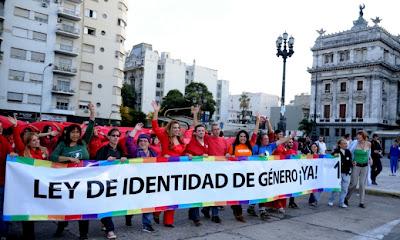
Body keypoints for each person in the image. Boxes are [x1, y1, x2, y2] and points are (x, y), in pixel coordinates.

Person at [50, 103, 96, 240]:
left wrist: (92, 113)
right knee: (66, 207)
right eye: (73, 132)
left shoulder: (83, 143)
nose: (75, 134)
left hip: (83, 181)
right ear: (68, 133)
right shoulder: (63, 145)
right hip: (67, 182)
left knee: (83, 207)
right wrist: (68, 158)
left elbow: (90, 129)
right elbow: (53, 157)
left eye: (77, 132)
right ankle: (61, 227)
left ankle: (83, 234)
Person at [8, 116, 50, 240]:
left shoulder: (44, 151)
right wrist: (16, 127)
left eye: (37, 139)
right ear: (28, 142)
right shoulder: (24, 151)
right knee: (27, 212)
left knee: (35, 212)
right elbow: (17, 139)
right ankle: (28, 235)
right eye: (33, 140)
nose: (36, 142)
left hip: (38, 186)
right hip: (26, 187)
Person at [150, 101, 188, 227]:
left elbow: (182, 154)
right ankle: (157, 212)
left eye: (178, 128)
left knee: (174, 195)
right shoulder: (164, 136)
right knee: (163, 194)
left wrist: (187, 156)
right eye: (175, 127)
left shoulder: (181, 141)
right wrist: (156, 111)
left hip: (177, 172)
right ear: (170, 128)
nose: (177, 130)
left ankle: (168, 221)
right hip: (164, 170)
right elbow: (155, 126)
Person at [252, 131, 294, 219]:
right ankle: (252, 207)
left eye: (267, 138)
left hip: (267, 173)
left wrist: (290, 136)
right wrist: (259, 156)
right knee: (257, 191)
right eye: (265, 139)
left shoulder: (270, 146)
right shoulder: (256, 147)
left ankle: (262, 210)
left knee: (264, 191)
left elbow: (281, 141)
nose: (267, 140)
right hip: (257, 172)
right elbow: (251, 158)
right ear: (261, 140)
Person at [95, 128, 126, 239]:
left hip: (115, 183)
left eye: (118, 135)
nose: (116, 137)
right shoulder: (103, 149)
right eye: (113, 135)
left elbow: (127, 161)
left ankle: (104, 222)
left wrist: (124, 159)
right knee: (105, 205)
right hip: (103, 183)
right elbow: (95, 164)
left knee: (109, 206)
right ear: (108, 137)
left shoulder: (120, 149)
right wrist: (105, 161)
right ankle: (110, 230)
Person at [125, 126, 157, 233]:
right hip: (136, 182)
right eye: (141, 141)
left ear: (149, 142)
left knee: (148, 203)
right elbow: (129, 141)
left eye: (145, 141)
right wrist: (135, 130)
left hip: (149, 182)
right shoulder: (135, 152)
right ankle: (129, 215)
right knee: (133, 202)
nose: (143, 142)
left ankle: (146, 225)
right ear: (138, 142)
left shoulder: (153, 153)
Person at [199, 123, 227, 223]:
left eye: (218, 129)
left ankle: (206, 209)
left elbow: (227, 153)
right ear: (211, 131)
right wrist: (195, 114)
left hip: (221, 171)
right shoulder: (207, 138)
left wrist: (228, 154)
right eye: (214, 129)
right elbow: (198, 128)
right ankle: (215, 215)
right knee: (213, 192)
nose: (216, 131)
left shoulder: (224, 140)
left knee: (216, 193)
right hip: (210, 170)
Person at [184, 121, 208, 227]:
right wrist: (188, 154)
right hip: (195, 172)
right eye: (199, 131)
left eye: (202, 131)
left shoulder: (208, 141)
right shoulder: (191, 142)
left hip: (206, 172)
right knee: (196, 195)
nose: (201, 132)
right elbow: (185, 153)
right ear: (195, 132)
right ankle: (196, 218)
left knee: (203, 194)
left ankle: (192, 213)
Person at [345, 131, 372, 208]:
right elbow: (349, 153)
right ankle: (346, 198)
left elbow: (369, 153)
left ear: (363, 136)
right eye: (357, 136)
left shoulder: (369, 144)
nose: (358, 137)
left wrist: (370, 158)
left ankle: (361, 202)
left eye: (359, 136)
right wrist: (351, 161)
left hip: (365, 166)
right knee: (353, 184)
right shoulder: (354, 143)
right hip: (356, 166)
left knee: (362, 184)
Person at [0, 122, 16, 239]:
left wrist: (12, 154)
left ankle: (3, 234)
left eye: (1, 127)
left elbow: (12, 153)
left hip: (2, 182)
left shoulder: (3, 141)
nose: (0, 129)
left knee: (2, 210)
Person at [328, 138, 353, 208]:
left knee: (345, 189)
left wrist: (352, 164)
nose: (346, 144)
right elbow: (330, 161)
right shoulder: (336, 152)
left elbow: (350, 161)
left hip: (347, 173)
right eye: (344, 143)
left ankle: (341, 202)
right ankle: (331, 200)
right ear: (340, 145)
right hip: (338, 173)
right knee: (336, 188)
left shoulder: (348, 151)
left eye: (346, 143)